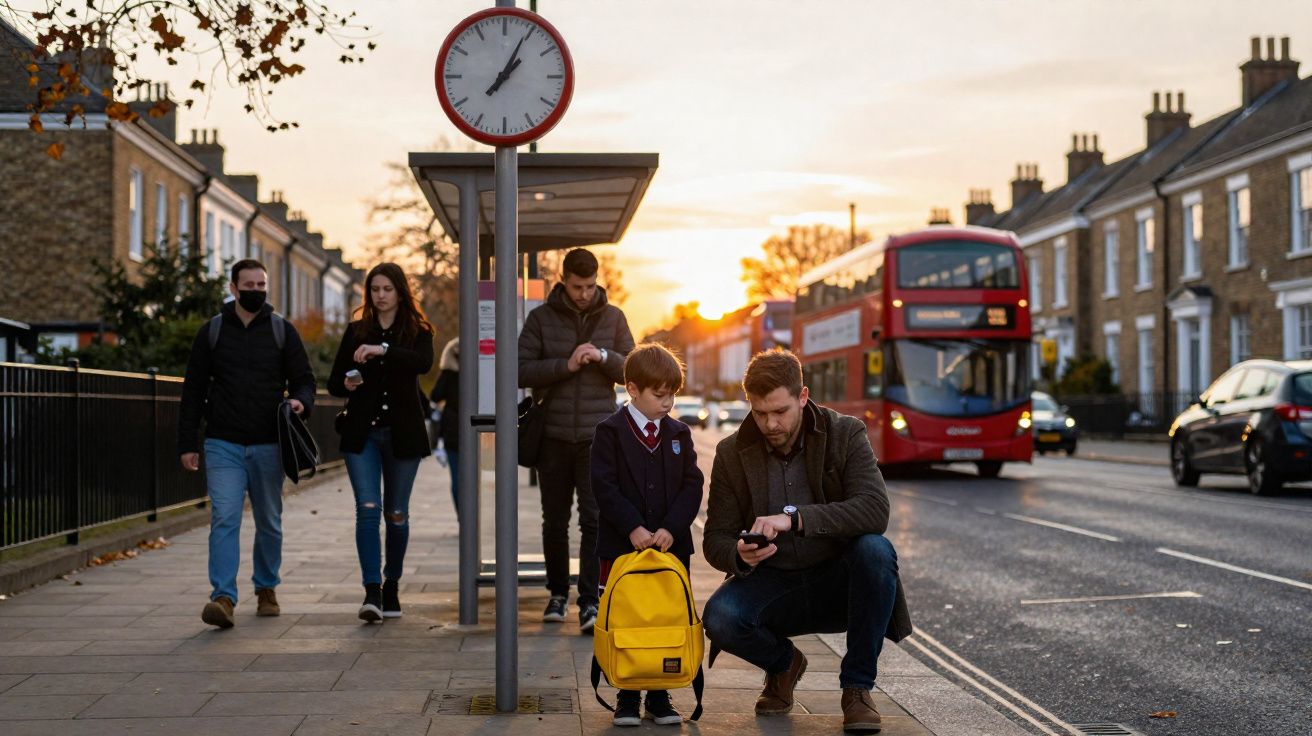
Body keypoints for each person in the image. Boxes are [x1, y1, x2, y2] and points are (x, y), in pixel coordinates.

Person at [700, 350, 913, 734]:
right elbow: (716, 538)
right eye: (760, 413)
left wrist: (797, 519)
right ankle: (784, 665)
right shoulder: (731, 453)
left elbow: (874, 511)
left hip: (838, 578)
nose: (769, 423)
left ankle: (857, 689)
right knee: (719, 617)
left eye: (780, 411)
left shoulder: (845, 433)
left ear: (802, 396)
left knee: (876, 551)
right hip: (773, 581)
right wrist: (739, 554)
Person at [178, 258, 316, 629]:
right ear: (233, 288)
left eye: (261, 285)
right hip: (222, 442)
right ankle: (222, 597)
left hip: (270, 443)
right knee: (224, 517)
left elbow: (305, 379)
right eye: (249, 285)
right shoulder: (213, 332)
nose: (256, 291)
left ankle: (266, 588)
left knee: (269, 520)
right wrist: (187, 443)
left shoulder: (281, 331)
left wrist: (302, 401)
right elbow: (193, 390)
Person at [519, 248, 635, 632]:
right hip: (552, 435)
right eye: (576, 286)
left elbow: (633, 370)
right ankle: (556, 595)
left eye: (589, 286)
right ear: (563, 280)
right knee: (554, 520)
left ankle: (589, 601)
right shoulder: (541, 318)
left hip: (597, 437)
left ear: (596, 280)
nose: (583, 294)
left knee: (594, 519)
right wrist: (565, 365)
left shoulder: (613, 317)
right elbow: (519, 369)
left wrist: (603, 355)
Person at [590, 343, 704, 727]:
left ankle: (659, 693)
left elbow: (693, 484)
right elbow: (603, 486)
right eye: (660, 394)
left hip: (671, 550)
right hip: (623, 546)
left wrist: (672, 527)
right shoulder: (609, 432)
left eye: (673, 393)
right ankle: (626, 694)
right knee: (627, 619)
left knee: (666, 619)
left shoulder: (679, 433)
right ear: (633, 389)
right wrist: (633, 527)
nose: (668, 401)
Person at [328, 263, 435, 623]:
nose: (381, 295)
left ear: (400, 292)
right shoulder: (356, 330)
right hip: (363, 435)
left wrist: (382, 350)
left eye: (387, 289)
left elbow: (422, 363)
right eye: (375, 289)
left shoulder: (418, 331)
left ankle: (392, 584)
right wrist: (349, 382)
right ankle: (371, 590)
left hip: (403, 435)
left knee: (397, 515)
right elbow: (333, 382)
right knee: (368, 509)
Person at [429, 337, 460, 514]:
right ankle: (469, 517)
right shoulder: (478, 373)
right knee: (469, 478)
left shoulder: (448, 374)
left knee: (456, 478)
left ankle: (463, 518)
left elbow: (435, 396)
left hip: (451, 430)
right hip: (470, 430)